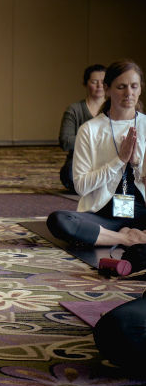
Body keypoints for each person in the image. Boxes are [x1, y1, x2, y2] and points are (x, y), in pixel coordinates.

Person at [47, 60, 146, 247]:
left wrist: (136, 164)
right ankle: (128, 239)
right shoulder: (90, 130)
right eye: (121, 87)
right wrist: (119, 161)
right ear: (107, 90)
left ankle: (110, 237)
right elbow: (82, 187)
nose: (129, 93)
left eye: (134, 86)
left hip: (142, 212)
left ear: (140, 88)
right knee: (59, 220)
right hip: (105, 215)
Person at [58, 64, 107, 192]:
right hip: (81, 161)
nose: (99, 86)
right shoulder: (74, 110)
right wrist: (96, 139)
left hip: (107, 160)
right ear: (85, 84)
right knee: (69, 174)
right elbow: (66, 142)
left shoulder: (114, 108)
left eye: (103, 82)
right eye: (94, 82)